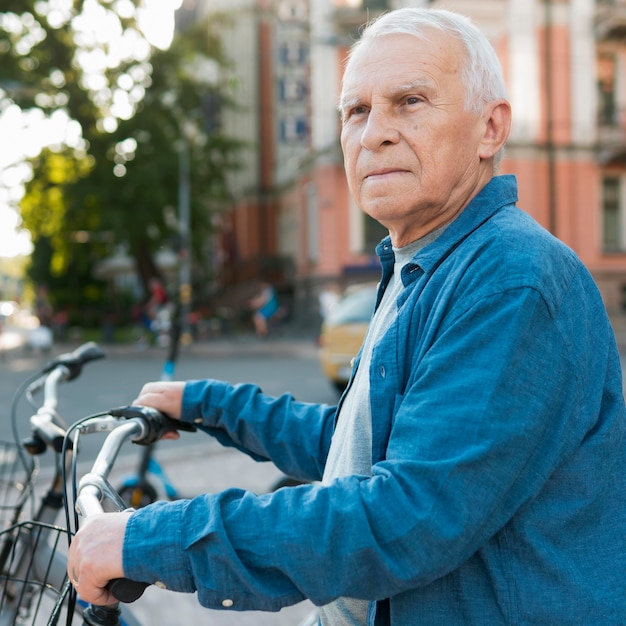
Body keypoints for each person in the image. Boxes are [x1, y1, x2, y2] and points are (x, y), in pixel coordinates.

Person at [67, 8, 626, 625]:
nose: (374, 133)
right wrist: (209, 405)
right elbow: (352, 447)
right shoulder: (422, 265)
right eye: (355, 111)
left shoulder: (509, 281)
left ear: (490, 128)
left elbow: (404, 520)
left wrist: (147, 539)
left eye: (410, 101)